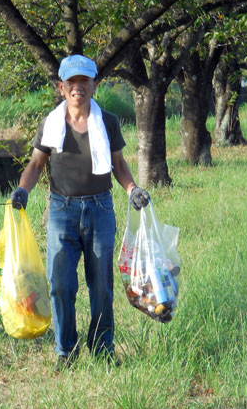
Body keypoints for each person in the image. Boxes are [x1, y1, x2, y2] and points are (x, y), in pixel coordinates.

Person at [9, 55, 150, 369]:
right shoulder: (50, 123)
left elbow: (118, 164)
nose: (78, 87)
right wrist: (22, 190)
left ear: (94, 85)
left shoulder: (108, 121)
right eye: (71, 82)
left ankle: (102, 350)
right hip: (62, 210)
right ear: (61, 87)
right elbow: (35, 165)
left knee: (101, 286)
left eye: (84, 81)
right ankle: (66, 351)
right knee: (60, 284)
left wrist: (132, 190)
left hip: (100, 209)